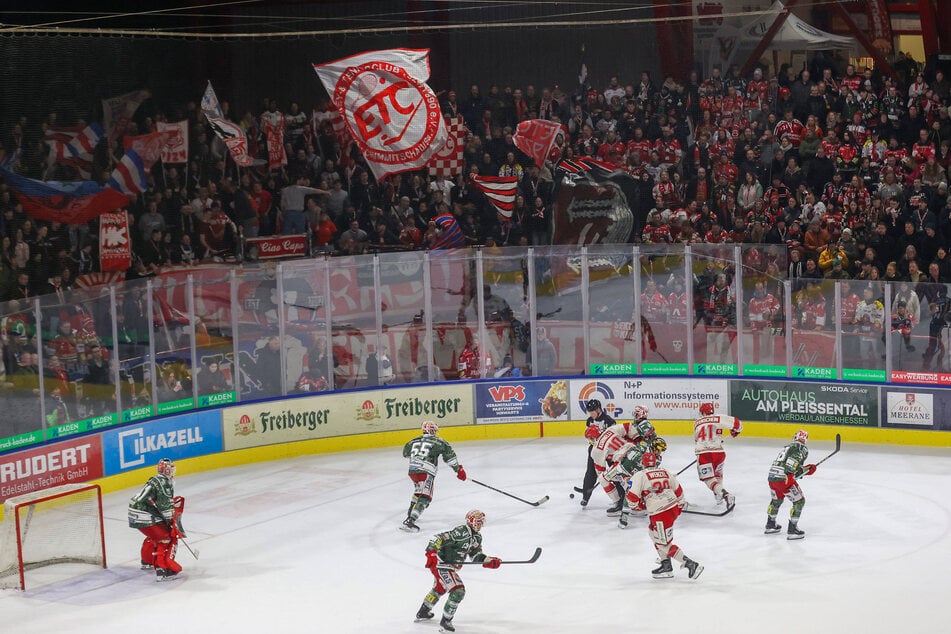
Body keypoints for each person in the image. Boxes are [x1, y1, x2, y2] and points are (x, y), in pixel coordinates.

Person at [414, 510, 501, 632]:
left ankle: (423, 611)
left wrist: (489, 561)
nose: (480, 524)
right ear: (470, 521)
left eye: (481, 522)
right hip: (441, 564)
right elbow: (437, 537)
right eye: (478, 522)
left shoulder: (477, 537)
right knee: (458, 591)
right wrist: (431, 552)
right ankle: (446, 621)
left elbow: (476, 556)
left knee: (440, 587)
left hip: (449, 566)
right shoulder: (461, 531)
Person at [625, 451, 703, 580]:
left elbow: (632, 497)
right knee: (652, 532)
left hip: (660, 512)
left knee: (663, 543)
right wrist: (677, 507)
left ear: (642, 463)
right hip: (672, 508)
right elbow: (679, 492)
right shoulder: (665, 472)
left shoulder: (640, 475)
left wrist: (639, 507)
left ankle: (690, 564)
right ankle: (666, 565)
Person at [400, 421, 466, 532]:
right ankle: (410, 520)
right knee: (425, 497)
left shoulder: (413, 441)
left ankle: (411, 512)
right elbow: (450, 457)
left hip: (412, 470)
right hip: (426, 471)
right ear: (432, 430)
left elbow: (405, 453)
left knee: (418, 490)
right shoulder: (439, 442)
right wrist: (459, 470)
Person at [127, 458, 186, 581]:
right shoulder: (165, 483)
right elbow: (165, 510)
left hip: (135, 514)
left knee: (155, 533)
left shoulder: (155, 479)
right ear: (167, 470)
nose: (173, 472)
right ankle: (163, 569)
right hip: (143, 515)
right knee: (166, 537)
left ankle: (147, 560)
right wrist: (172, 524)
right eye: (171, 469)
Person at [766, 429, 817, 539]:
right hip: (784, 479)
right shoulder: (801, 448)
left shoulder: (788, 446)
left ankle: (770, 524)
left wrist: (806, 469)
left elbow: (789, 465)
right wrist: (799, 472)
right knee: (799, 501)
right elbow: (792, 465)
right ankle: (792, 529)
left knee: (776, 500)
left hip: (772, 476)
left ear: (795, 437)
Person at [693, 402, 743, 506]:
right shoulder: (718, 418)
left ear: (702, 412)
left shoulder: (697, 422)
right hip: (719, 453)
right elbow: (738, 424)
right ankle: (718, 495)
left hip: (703, 454)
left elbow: (697, 440)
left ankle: (725, 495)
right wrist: (735, 431)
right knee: (717, 474)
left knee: (708, 479)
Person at [580, 398, 616, 508]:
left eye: (592, 412)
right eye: (589, 412)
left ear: (599, 409)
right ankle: (585, 496)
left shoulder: (609, 421)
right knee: (590, 473)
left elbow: (614, 437)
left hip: (609, 450)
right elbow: (589, 437)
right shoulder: (589, 420)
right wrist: (594, 440)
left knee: (615, 473)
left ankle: (619, 498)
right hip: (595, 450)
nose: (591, 414)